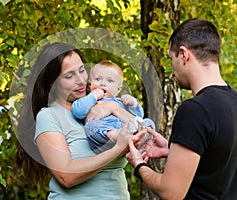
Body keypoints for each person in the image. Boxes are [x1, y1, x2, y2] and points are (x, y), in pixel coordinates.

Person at [126, 18, 237, 199]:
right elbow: (220, 161)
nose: (172, 71)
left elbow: (171, 192)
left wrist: (139, 165)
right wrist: (173, 150)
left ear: (184, 54)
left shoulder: (195, 110)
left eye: (172, 59)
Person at [14, 42, 136, 199]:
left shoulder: (102, 104)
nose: (81, 80)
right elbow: (66, 176)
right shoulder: (49, 116)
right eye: (69, 76)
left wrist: (113, 108)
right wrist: (118, 148)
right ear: (52, 83)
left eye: (82, 70)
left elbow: (140, 127)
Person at [72, 61, 155, 153]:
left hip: (126, 129)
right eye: (98, 79)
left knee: (147, 122)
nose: (102, 83)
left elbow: (138, 116)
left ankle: (142, 136)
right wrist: (93, 96)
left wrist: (133, 103)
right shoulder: (88, 100)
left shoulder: (121, 102)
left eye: (110, 80)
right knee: (91, 126)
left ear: (118, 89)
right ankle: (116, 135)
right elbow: (78, 112)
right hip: (104, 139)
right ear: (90, 84)